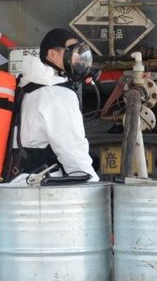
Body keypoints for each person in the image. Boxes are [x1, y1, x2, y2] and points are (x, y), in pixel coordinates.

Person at [8, 27, 99, 183]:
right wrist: (92, 185)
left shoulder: (27, 86)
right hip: (40, 188)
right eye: (72, 50)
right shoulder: (57, 94)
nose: (78, 57)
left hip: (17, 182)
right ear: (52, 55)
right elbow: (72, 153)